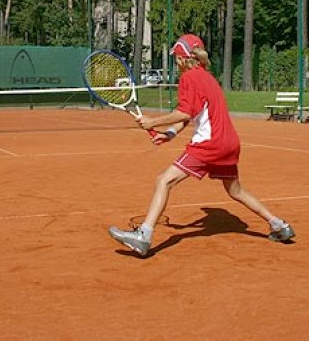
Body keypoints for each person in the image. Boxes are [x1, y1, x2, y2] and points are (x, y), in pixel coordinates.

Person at [108, 34, 295, 256]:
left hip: (210, 144)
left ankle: (144, 235)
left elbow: (184, 112)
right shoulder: (207, 78)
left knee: (164, 181)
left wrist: (152, 121)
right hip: (230, 143)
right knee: (235, 190)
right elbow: (190, 116)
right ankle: (278, 225)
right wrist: (169, 133)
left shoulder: (189, 78)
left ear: (180, 59)